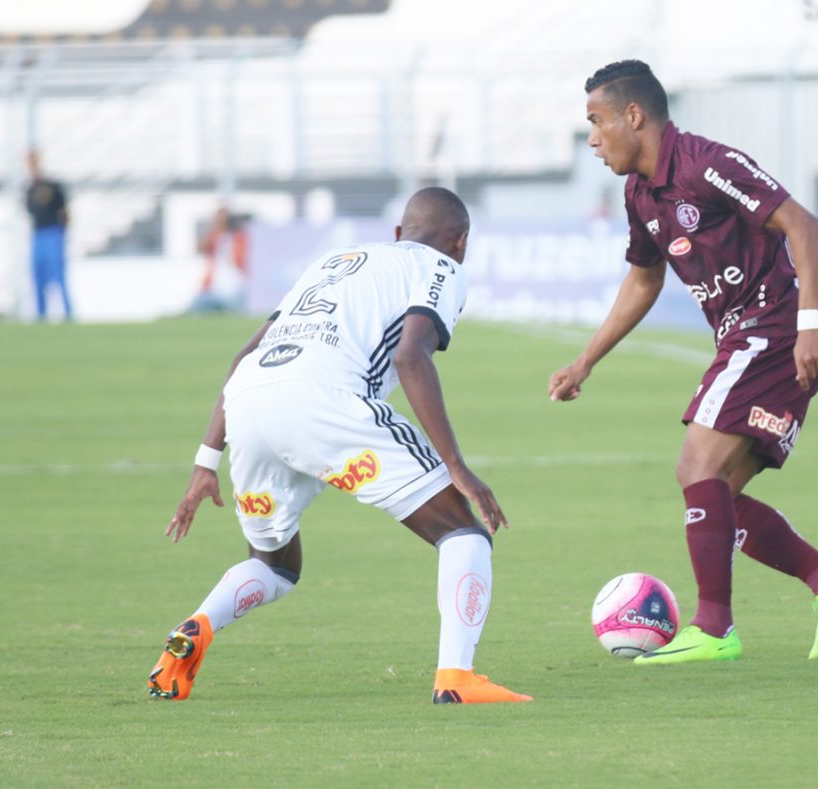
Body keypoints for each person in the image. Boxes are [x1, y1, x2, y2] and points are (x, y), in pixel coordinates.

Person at [148, 187, 531, 705]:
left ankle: (197, 628)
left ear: (398, 233)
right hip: (326, 401)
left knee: (275, 564)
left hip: (249, 403)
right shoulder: (442, 267)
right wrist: (457, 467)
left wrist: (205, 461)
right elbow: (411, 357)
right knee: (462, 531)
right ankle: (457, 679)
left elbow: (246, 353)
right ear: (459, 242)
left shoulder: (335, 261)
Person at [549, 60, 818, 665]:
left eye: (596, 122)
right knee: (716, 493)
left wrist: (808, 324)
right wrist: (585, 361)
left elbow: (801, 223)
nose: (592, 139)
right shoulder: (638, 191)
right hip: (744, 336)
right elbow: (643, 280)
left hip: (772, 328)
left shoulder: (707, 163)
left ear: (634, 116)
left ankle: (714, 628)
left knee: (695, 464)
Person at [24, 149, 72, 321]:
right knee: (38, 277)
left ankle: (69, 315)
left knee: (59, 276)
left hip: (53, 233)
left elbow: (65, 212)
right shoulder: (29, 189)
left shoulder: (53, 186)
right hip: (38, 235)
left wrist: (63, 233)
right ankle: (41, 317)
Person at [190, 206, 249, 313]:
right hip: (214, 285)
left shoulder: (238, 237)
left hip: (234, 284)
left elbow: (241, 259)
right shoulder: (215, 236)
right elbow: (202, 248)